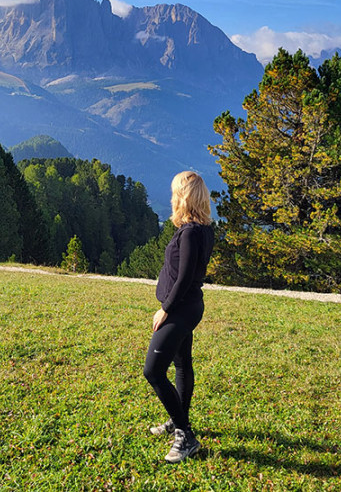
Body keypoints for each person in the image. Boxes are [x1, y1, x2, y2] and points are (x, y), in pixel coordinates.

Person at [143, 170, 215, 463]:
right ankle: (178, 420)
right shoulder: (203, 229)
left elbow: (184, 277)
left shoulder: (188, 233)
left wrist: (165, 309)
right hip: (191, 307)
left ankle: (185, 436)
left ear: (183, 197)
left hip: (181, 309)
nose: (172, 197)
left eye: (175, 192)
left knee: (154, 371)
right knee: (183, 365)